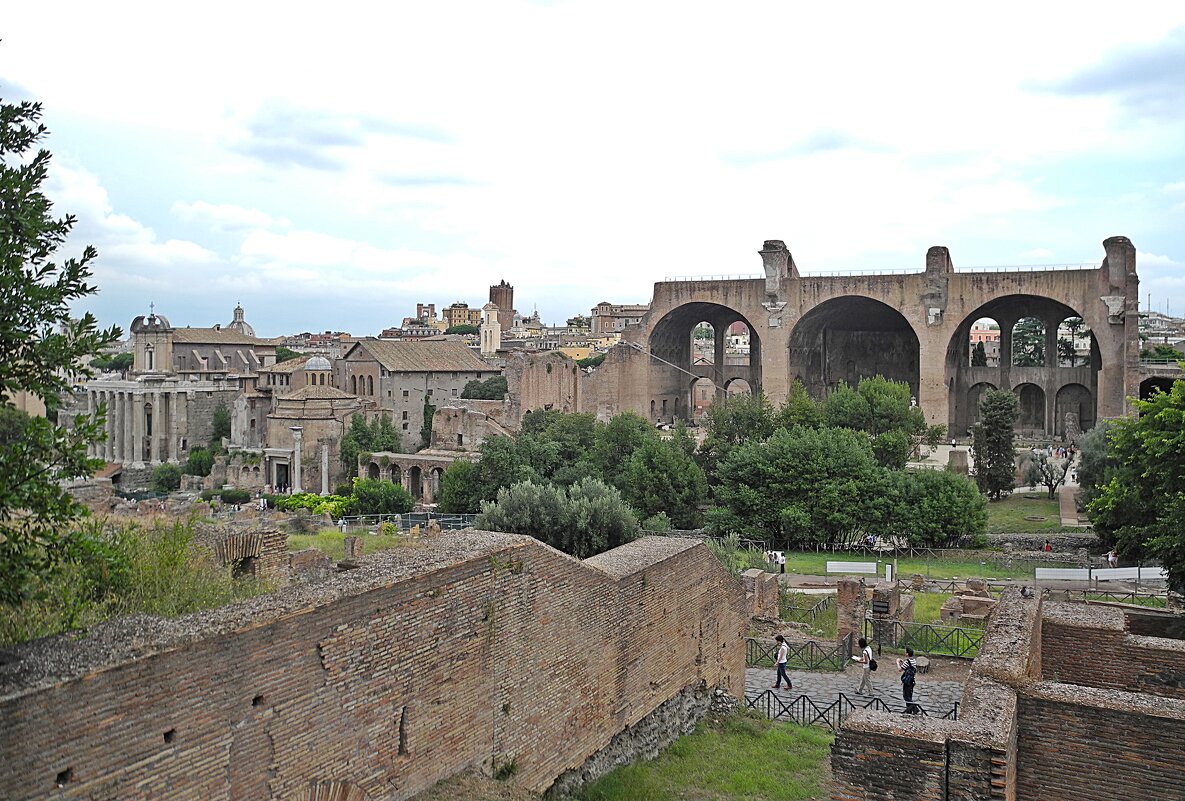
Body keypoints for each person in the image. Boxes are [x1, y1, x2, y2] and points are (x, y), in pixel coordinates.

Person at [897, 647, 919, 714]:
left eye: (905, 652)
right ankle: (908, 710)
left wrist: (898, 662)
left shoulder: (907, 661)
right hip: (912, 681)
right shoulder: (914, 660)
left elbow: (900, 669)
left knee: (906, 696)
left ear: (907, 653)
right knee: (909, 695)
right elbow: (908, 666)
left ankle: (915, 708)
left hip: (907, 681)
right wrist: (903, 663)